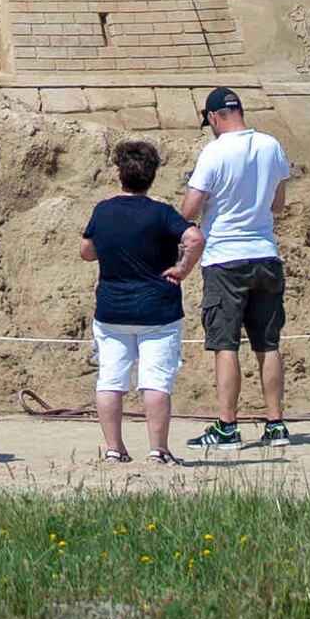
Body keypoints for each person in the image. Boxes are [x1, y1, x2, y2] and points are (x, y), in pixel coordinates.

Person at [179, 82, 294, 450]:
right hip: (265, 252)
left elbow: (190, 209)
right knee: (268, 343)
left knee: (225, 344)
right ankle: (276, 424)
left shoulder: (214, 152)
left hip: (225, 258)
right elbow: (278, 205)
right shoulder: (271, 145)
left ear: (214, 117)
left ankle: (227, 425)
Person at [80, 137, 199, 467]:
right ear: (152, 175)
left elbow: (86, 252)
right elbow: (194, 238)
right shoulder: (161, 213)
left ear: (120, 173)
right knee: (156, 381)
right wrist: (183, 267)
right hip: (157, 309)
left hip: (113, 308)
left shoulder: (103, 210)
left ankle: (114, 448)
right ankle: (158, 449)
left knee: (110, 380)